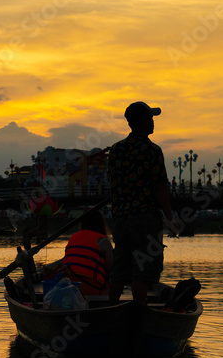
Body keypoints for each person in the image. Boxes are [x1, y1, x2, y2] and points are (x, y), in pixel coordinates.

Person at [108, 101, 176, 305]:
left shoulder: (116, 150)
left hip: (120, 219)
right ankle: (140, 312)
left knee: (119, 269)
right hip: (145, 218)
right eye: (150, 118)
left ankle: (110, 310)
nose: (153, 122)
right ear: (144, 122)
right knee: (142, 270)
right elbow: (160, 187)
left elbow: (113, 183)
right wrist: (170, 218)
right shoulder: (152, 150)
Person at [43, 209, 114, 296]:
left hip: (67, 287)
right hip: (91, 289)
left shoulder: (73, 238)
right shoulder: (103, 241)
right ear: (101, 224)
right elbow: (112, 270)